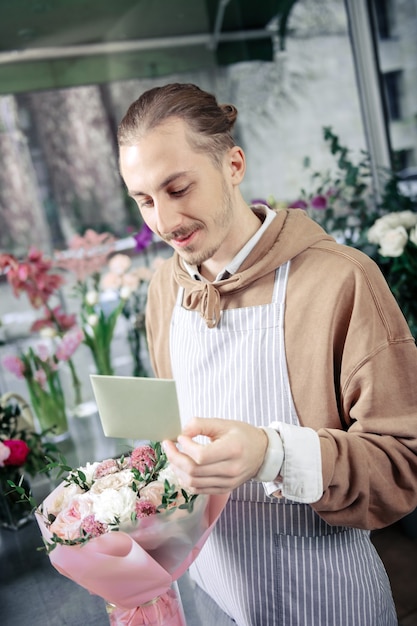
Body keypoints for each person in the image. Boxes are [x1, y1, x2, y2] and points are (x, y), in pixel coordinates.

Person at [117, 82, 417, 626]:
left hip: (329, 601)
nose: (163, 221)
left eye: (179, 188)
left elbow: (404, 468)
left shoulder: (341, 280)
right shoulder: (165, 287)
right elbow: (176, 439)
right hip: (212, 596)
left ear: (233, 164)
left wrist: (272, 454)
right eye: (143, 200)